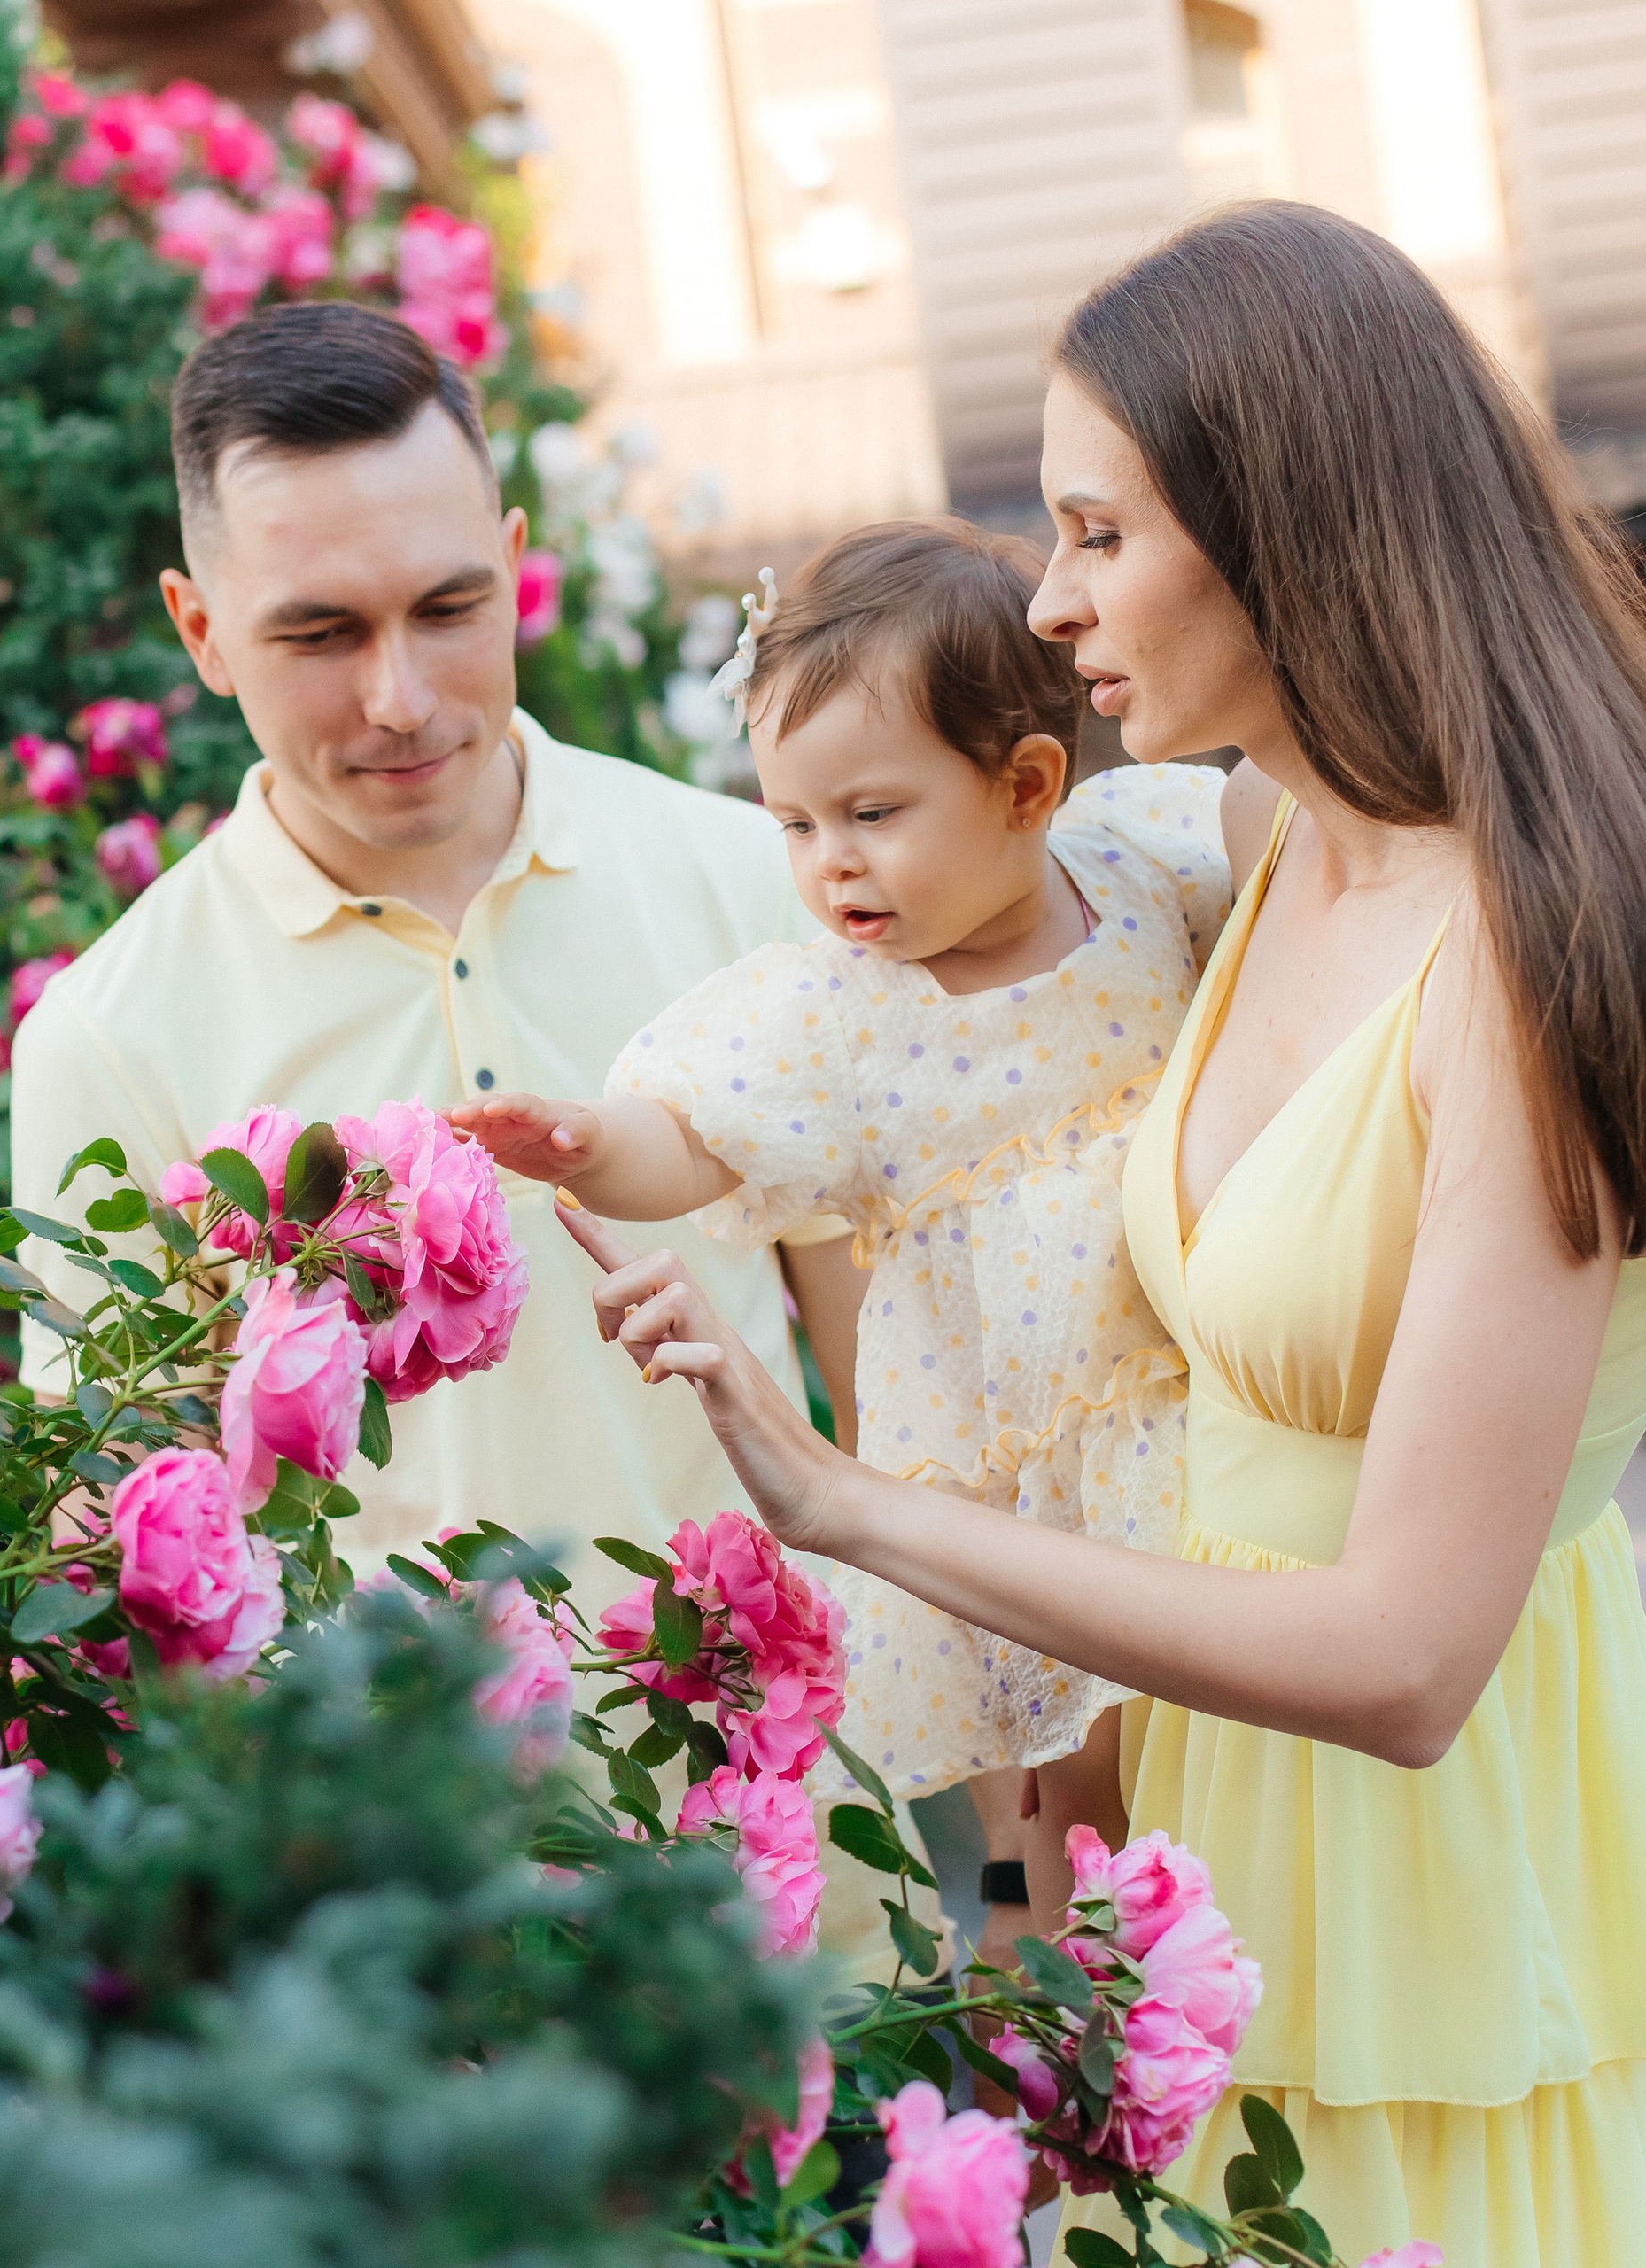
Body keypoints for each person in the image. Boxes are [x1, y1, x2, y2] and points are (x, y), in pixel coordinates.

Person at [547, 202, 1646, 2264]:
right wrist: (1087, 1737)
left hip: (1427, 1865)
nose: (1045, 605)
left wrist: (848, 1507)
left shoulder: (1523, 944)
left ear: (1285, 523)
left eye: (1092, 533)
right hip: (1197, 1812)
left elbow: (1409, 1653)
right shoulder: (1245, 857)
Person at [5, 299, 910, 1938]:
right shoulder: (110, 1038)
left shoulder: (751, 883)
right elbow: (129, 1560)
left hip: (819, 1905)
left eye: (448, 608)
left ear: (515, 563)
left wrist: (1006, 1842)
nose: (405, 696)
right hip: (413, 1954)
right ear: (199, 630)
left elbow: (907, 1401)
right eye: (320, 634)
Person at [449, 519, 1231, 1851]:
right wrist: (590, 1141)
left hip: (1195, 1417)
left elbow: (1290, 893)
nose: (830, 863)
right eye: (796, 823)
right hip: (1012, 1494)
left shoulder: (1143, 866)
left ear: (1030, 786)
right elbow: (697, 1130)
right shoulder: (839, 1014)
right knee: (1068, 1791)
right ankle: (1052, 2011)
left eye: (872, 815)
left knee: (1227, 1756)